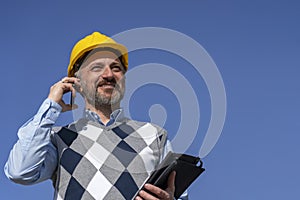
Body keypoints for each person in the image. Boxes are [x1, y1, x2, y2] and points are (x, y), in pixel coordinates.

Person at [4, 32, 188, 200]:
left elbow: (179, 195)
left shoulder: (154, 135)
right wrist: (50, 106)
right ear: (77, 83)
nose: (108, 75)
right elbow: (20, 171)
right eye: (97, 67)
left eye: (116, 68)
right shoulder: (57, 138)